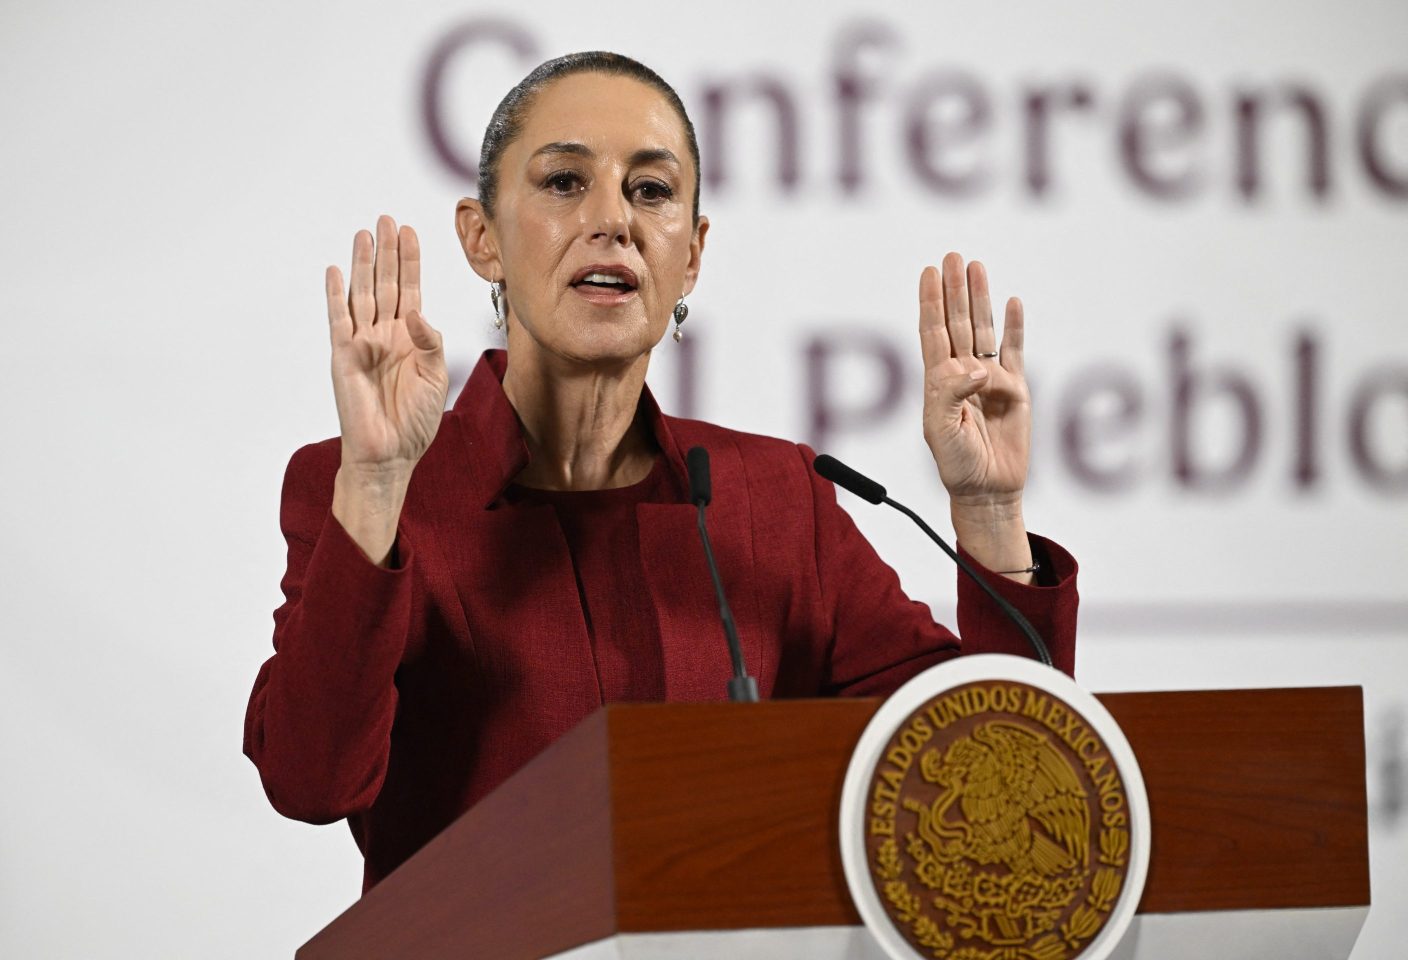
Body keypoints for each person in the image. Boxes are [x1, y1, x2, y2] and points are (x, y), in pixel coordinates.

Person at [243, 52, 1078, 893]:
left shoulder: (773, 498)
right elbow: (313, 782)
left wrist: (989, 512)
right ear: (481, 237)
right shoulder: (366, 490)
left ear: (692, 255)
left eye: (651, 190)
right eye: (564, 182)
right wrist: (377, 484)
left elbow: (998, 768)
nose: (613, 220)